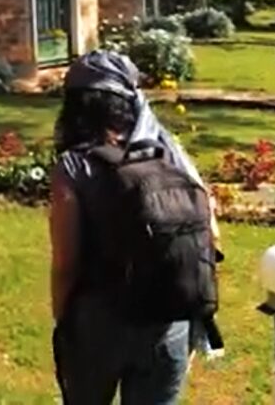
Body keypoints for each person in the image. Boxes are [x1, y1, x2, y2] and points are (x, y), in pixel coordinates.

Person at [49, 51, 222, 405]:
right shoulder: (166, 150)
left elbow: (67, 262)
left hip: (98, 323)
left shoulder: (73, 166)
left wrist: (64, 320)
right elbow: (211, 233)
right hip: (168, 321)